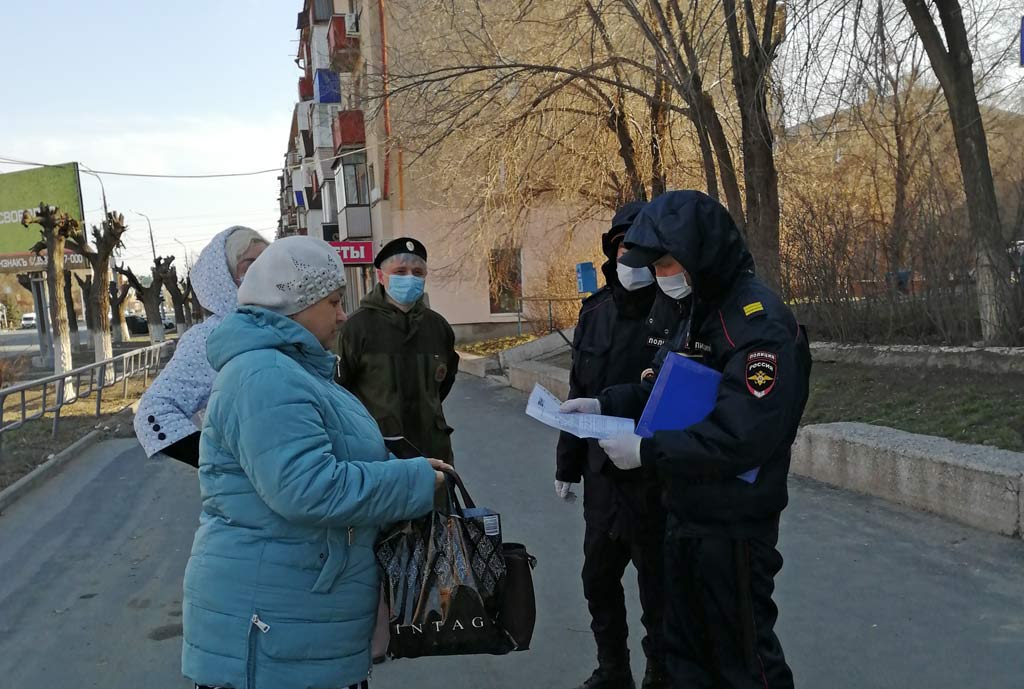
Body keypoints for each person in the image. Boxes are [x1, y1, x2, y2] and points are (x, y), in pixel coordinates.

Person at [562, 190, 812, 689]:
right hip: (685, 513)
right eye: (655, 265)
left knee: (744, 660)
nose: (661, 275)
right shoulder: (698, 309)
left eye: (668, 262)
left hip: (733, 525)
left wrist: (647, 452)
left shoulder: (757, 324)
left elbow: (742, 435)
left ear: (701, 253)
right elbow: (666, 383)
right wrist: (606, 404)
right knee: (685, 657)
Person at [182, 236, 449, 689]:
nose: (343, 314)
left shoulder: (296, 370)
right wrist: (413, 480)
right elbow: (308, 489)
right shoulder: (264, 375)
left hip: (299, 614)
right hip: (274, 624)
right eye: (333, 301)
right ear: (296, 304)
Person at [556, 201, 673, 689]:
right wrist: (567, 465)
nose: (631, 258)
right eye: (624, 247)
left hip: (655, 476)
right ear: (612, 251)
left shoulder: (677, 310)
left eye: (641, 249)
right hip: (602, 477)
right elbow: (577, 390)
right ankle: (613, 670)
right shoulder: (595, 311)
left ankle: (660, 674)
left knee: (659, 588)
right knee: (598, 581)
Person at [134, 226, 268, 466]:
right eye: (250, 264)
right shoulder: (211, 337)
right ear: (223, 275)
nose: (264, 271)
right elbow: (154, 413)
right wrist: (221, 464)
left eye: (268, 261)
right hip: (252, 493)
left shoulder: (287, 324)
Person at [335, 237, 460, 463]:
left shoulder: (438, 327)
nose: (410, 278)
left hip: (433, 451)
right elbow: (338, 392)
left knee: (437, 499)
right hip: (379, 455)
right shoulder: (356, 329)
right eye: (400, 271)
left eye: (418, 272)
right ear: (381, 277)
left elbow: (444, 383)